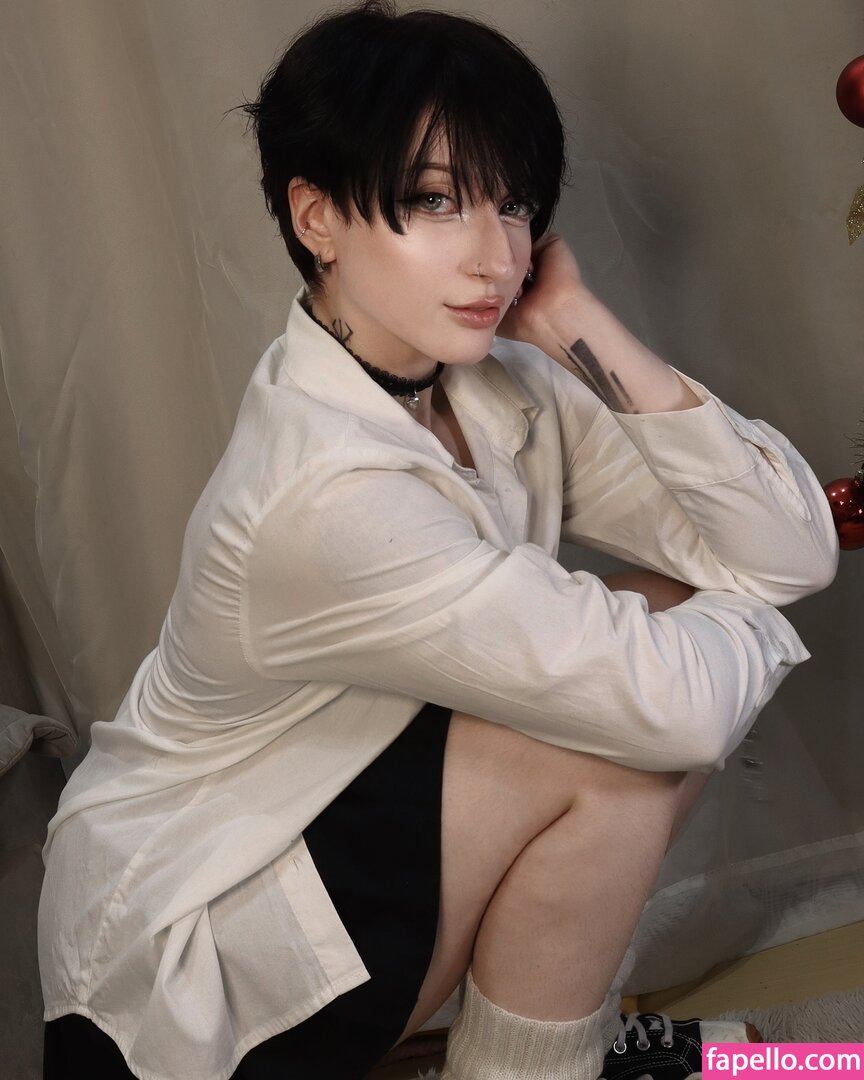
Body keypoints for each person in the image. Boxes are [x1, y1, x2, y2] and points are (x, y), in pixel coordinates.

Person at [38, 3, 837, 1079]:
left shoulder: (495, 385)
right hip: (189, 955)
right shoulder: (323, 494)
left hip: (338, 826)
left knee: (651, 638)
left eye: (513, 205)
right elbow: (690, 702)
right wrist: (751, 628)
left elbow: (795, 548)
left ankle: (545, 1044)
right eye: (434, 200)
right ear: (317, 216)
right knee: (618, 739)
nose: (494, 256)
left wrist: (578, 322)